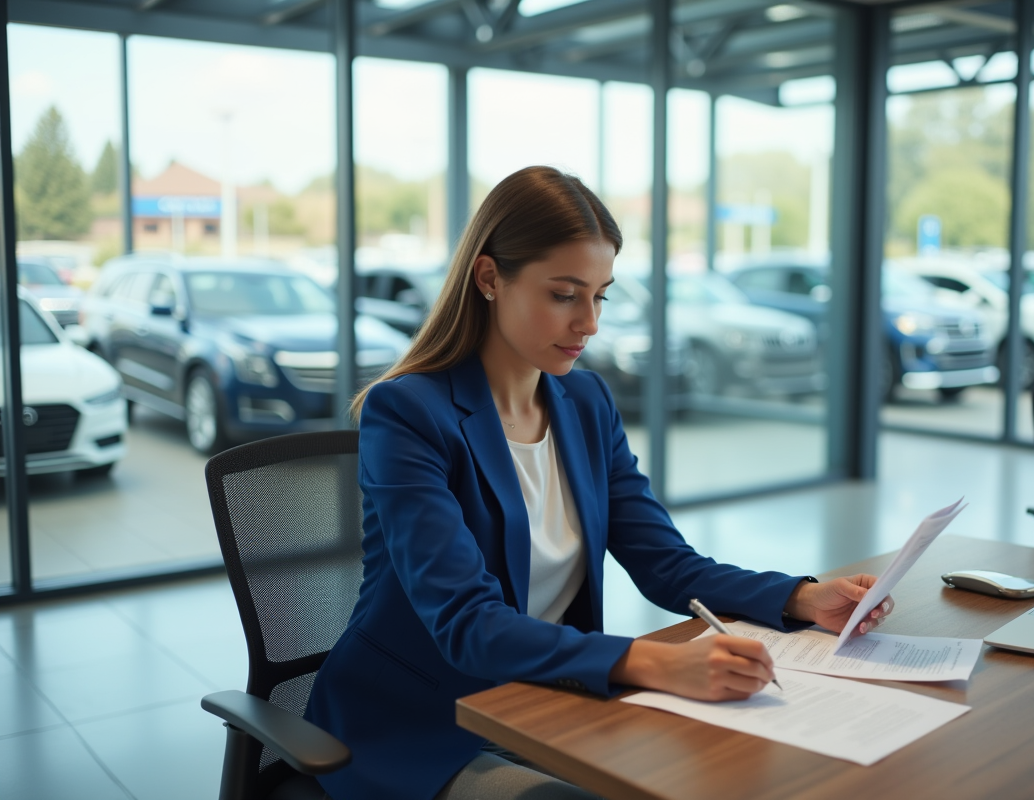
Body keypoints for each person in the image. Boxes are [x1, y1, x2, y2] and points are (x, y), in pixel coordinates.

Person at [305, 166, 894, 800]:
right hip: (421, 723)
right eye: (564, 294)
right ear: (489, 278)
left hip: (547, 698)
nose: (590, 323)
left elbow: (666, 564)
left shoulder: (584, 400)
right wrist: (657, 662)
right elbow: (468, 623)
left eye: (601, 295)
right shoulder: (409, 412)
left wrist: (800, 598)